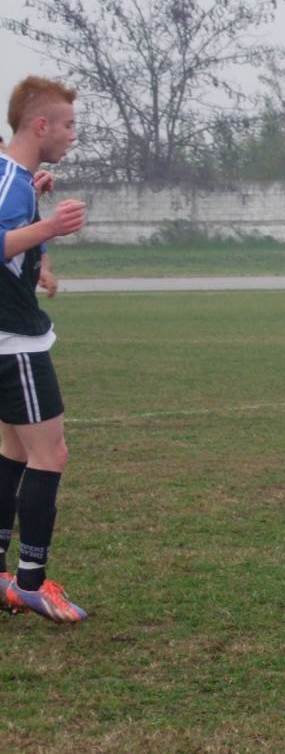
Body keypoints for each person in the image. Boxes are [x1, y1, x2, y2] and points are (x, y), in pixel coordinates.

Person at [0, 76, 90, 623]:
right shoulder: (11, 182)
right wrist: (50, 227)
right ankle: (31, 583)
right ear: (40, 126)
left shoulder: (15, 181)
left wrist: (36, 212)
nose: (72, 134)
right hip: (14, 342)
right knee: (50, 455)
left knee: (13, 450)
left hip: (9, 337)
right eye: (67, 125)